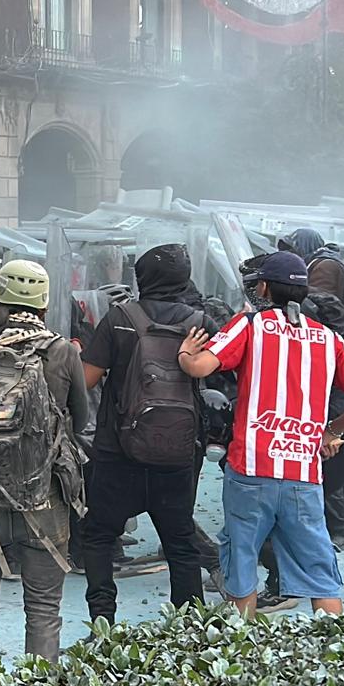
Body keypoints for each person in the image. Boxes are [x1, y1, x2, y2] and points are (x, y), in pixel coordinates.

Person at [179, 251, 344, 616]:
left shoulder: (249, 325)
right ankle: (334, 651)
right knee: (319, 569)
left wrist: (186, 353)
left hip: (250, 470)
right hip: (304, 474)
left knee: (241, 558)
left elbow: (199, 366)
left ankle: (246, 652)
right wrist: (327, 432)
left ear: (265, 287)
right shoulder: (328, 338)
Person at [0, 260, 88, 686]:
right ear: (43, 303)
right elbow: (79, 421)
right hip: (43, 501)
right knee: (43, 607)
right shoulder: (61, 351)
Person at [80, 244, 212, 620]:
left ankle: (103, 621)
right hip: (178, 451)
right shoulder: (200, 322)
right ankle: (189, 627)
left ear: (141, 278)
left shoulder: (119, 318)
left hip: (117, 450)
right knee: (180, 542)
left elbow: (87, 379)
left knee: (100, 535)